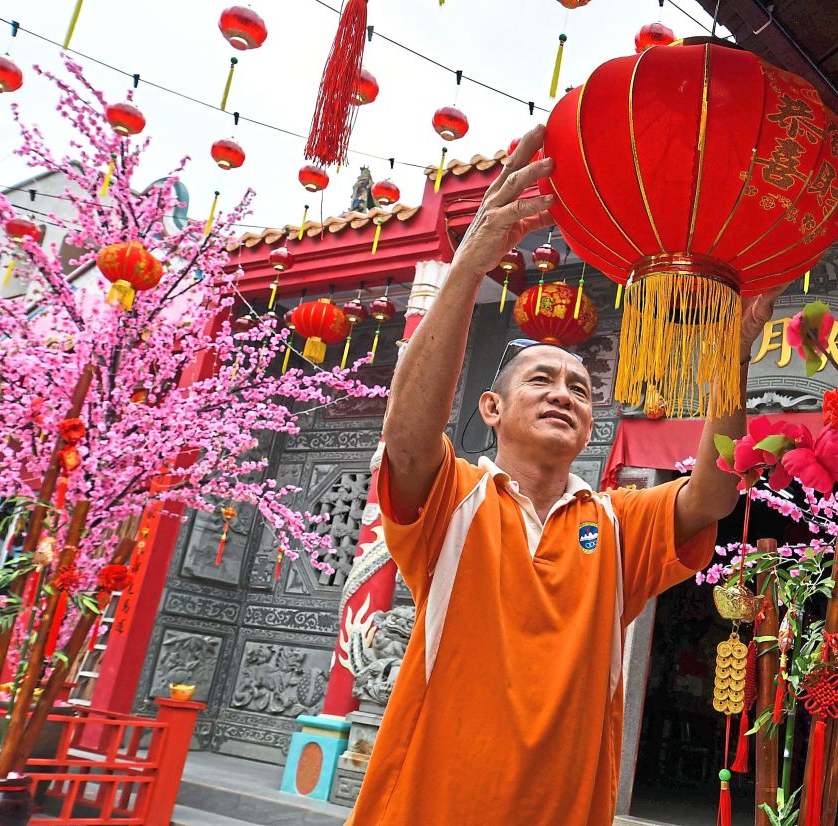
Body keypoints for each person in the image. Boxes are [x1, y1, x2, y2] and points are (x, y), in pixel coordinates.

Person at [345, 124, 783, 826]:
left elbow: (713, 492)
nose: (563, 394)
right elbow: (406, 433)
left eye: (579, 389)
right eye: (541, 380)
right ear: (490, 408)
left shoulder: (615, 522)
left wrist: (730, 360)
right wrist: (469, 265)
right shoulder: (452, 501)